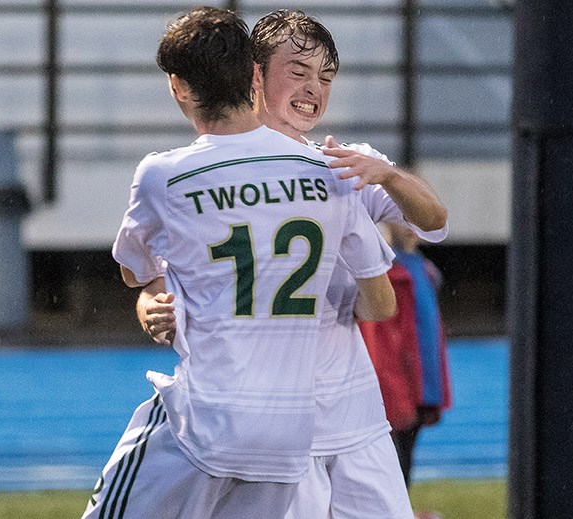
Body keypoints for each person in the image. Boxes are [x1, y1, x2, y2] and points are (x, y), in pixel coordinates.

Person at [83, 7, 397, 519]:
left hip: (206, 420)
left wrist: (164, 298)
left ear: (178, 86)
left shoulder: (165, 174)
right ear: (254, 76)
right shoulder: (326, 170)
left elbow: (136, 272)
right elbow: (380, 303)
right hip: (290, 437)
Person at [358, 222, 452, 489]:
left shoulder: (425, 269)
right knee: (390, 462)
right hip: (395, 380)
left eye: (412, 219)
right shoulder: (389, 270)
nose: (410, 226)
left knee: (406, 458)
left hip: (421, 378)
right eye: (400, 218)